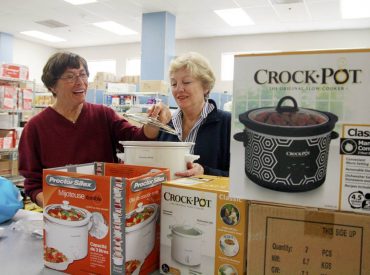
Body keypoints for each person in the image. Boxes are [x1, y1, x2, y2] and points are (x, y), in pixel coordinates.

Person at [18, 51, 171, 207]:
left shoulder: (103, 115)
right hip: (62, 208)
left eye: (83, 75)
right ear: (52, 86)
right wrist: (54, 205)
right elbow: (33, 182)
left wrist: (153, 123)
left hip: (105, 205)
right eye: (70, 76)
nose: (80, 82)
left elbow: (135, 138)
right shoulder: (35, 127)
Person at [158, 52, 231, 177]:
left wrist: (205, 172)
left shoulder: (227, 124)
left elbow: (241, 179)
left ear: (206, 86)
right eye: (174, 84)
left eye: (186, 82)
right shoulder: (166, 125)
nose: (179, 89)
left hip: (208, 196)